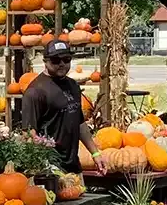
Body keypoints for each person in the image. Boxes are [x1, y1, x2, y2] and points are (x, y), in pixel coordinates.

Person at [20, 39, 106, 173]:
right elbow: (28, 134)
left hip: (73, 166)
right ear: (45, 61)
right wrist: (43, 167)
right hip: (50, 169)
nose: (62, 64)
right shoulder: (35, 92)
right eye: (55, 60)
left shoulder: (73, 85)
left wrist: (95, 154)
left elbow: (79, 122)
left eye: (66, 59)